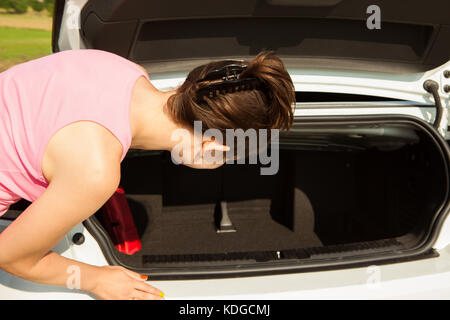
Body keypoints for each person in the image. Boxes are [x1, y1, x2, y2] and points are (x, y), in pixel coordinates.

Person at [0, 49, 295, 299]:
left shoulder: (120, 67)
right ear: (211, 146)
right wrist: (95, 279)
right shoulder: (94, 171)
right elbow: (10, 256)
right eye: (227, 158)